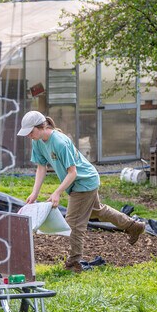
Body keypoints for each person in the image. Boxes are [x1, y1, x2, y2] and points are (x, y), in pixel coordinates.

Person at [17, 111, 145, 272]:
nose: (29, 135)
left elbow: (73, 172)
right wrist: (34, 193)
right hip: (79, 182)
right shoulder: (38, 141)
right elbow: (41, 167)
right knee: (98, 211)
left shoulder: (59, 142)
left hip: (84, 182)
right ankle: (134, 226)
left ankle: (74, 263)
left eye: (30, 131)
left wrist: (57, 192)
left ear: (42, 126)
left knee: (74, 223)